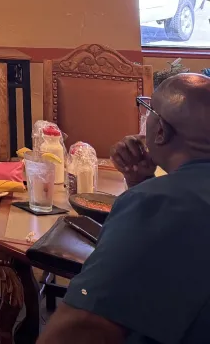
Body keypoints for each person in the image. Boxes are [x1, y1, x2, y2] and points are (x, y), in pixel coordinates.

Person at [38, 73, 210, 344]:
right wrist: (141, 180)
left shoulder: (157, 202)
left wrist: (145, 193)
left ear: (161, 131)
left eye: (148, 110)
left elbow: (83, 325)